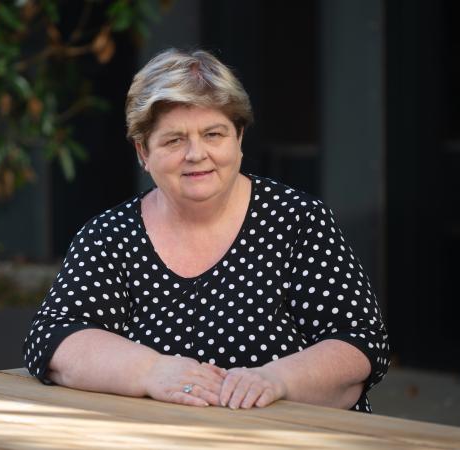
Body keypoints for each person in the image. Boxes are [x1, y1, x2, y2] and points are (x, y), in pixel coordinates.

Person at [23, 48, 389, 412]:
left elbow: (360, 340)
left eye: (213, 134)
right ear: (142, 152)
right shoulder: (110, 236)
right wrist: (153, 370)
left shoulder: (298, 221)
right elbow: (54, 337)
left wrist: (276, 380)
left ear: (239, 138)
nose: (196, 154)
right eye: (174, 140)